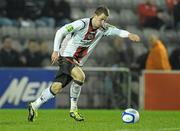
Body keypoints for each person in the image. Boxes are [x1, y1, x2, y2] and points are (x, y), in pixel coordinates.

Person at [27, 6, 140, 122]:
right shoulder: (81, 24)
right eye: (101, 19)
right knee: (80, 76)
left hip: (76, 61)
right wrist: (55, 50)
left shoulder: (103, 28)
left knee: (56, 87)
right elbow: (60, 31)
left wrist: (129, 34)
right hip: (66, 56)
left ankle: (34, 105)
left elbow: (117, 31)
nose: (103, 22)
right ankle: (73, 110)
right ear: (95, 16)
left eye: (105, 20)